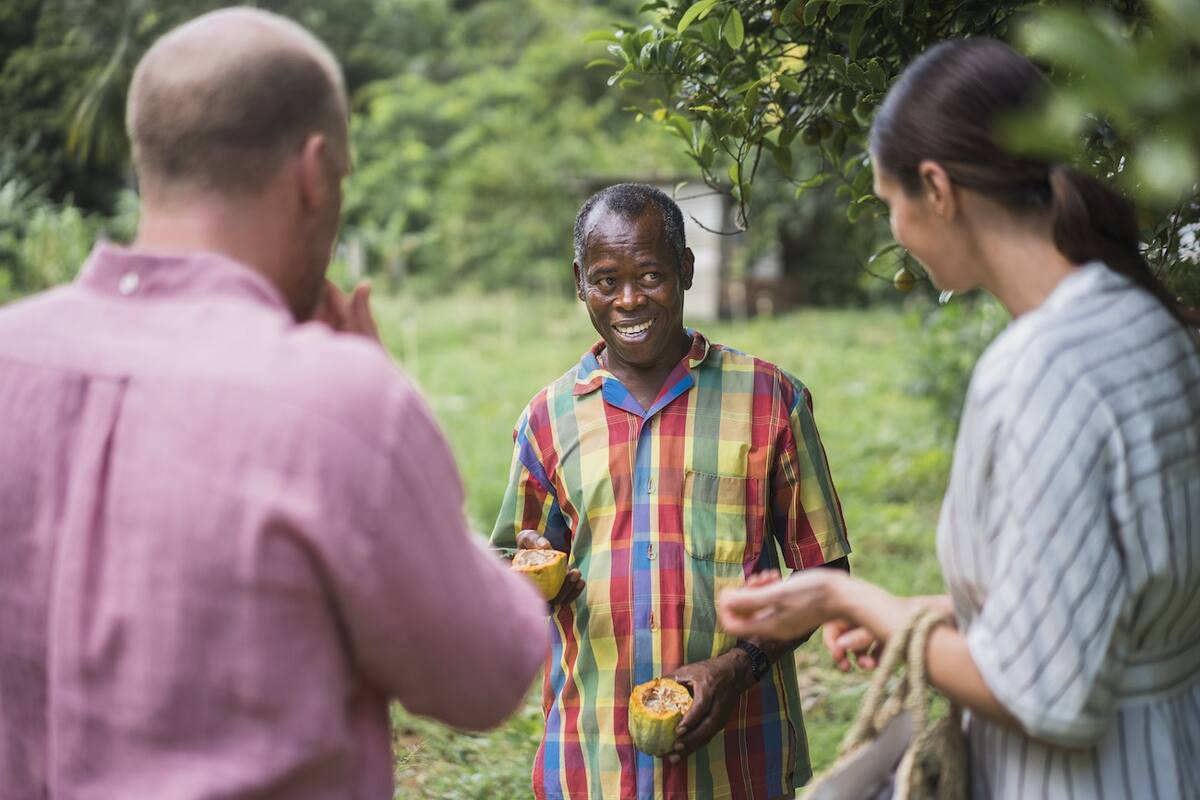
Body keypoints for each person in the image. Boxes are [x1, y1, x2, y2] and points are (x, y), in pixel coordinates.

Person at [0, 8, 548, 799]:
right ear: (314, 172)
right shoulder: (342, 399)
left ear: (149, 158)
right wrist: (395, 419)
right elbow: (484, 677)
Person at [718, 38, 1200, 800]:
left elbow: (1046, 697)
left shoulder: (1040, 371)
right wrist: (921, 616)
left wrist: (847, 599)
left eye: (890, 204)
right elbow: (1109, 591)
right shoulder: (1151, 324)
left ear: (937, 188)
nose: (895, 230)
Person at [490, 183, 851, 800]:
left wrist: (740, 668)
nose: (629, 300)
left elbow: (828, 572)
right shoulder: (547, 421)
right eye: (606, 280)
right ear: (580, 282)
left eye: (651, 274)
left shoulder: (772, 401)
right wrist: (529, 582)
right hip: (594, 762)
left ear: (685, 270)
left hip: (741, 762)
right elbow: (508, 564)